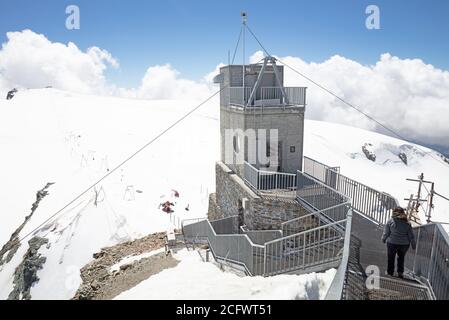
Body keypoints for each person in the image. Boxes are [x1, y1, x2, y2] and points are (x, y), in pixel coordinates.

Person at [381, 207, 416, 278]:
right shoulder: (407, 223)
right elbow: (411, 236)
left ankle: (390, 272)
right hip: (404, 244)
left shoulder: (390, 221)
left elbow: (386, 232)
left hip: (392, 243)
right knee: (401, 258)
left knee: (391, 258)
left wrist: (383, 239)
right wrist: (413, 244)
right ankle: (400, 273)